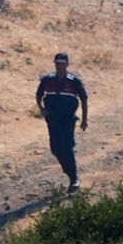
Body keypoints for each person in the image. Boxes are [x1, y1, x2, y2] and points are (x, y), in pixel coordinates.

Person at [35, 52, 90, 188]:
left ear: (67, 64)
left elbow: (84, 99)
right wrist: (41, 108)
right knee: (55, 149)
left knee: (66, 147)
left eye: (62, 64)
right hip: (52, 119)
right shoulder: (48, 80)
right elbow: (39, 94)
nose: (60, 66)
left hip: (68, 119)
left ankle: (74, 178)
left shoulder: (74, 81)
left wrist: (84, 120)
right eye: (57, 63)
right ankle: (67, 169)